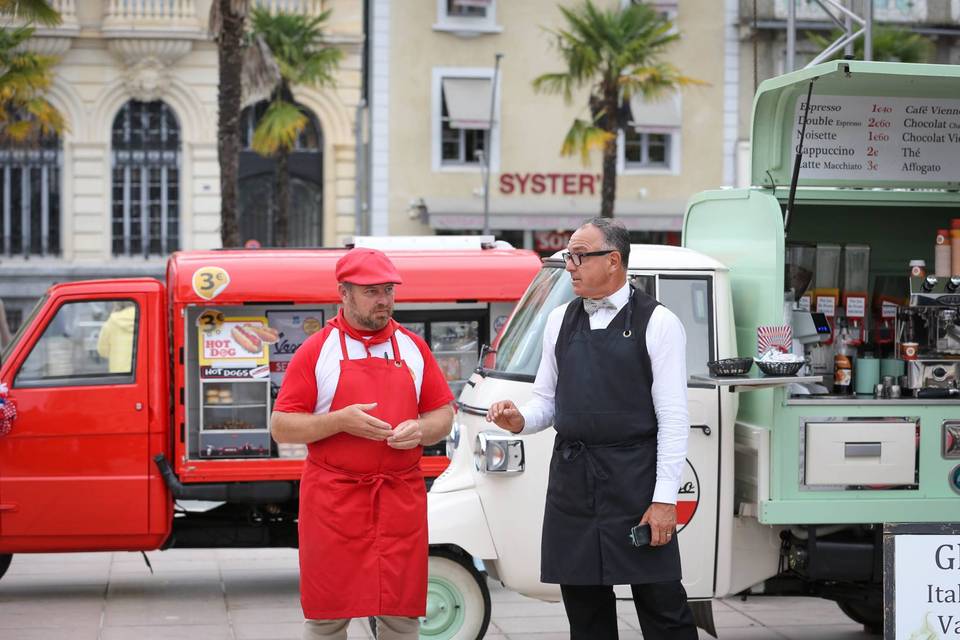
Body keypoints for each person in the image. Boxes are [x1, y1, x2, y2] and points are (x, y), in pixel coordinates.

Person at [486, 217, 698, 640]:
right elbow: (547, 401)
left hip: (635, 480)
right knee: (585, 615)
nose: (570, 266)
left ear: (614, 261)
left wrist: (664, 500)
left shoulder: (660, 323)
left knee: (664, 610)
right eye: (569, 256)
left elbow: (674, 418)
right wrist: (519, 420)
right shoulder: (558, 320)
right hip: (573, 482)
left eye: (580, 256)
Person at [271, 248, 455, 640]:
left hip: (398, 498)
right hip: (334, 502)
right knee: (327, 618)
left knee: (401, 614)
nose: (384, 300)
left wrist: (420, 430)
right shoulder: (316, 350)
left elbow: (443, 414)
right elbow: (281, 426)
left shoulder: (413, 347)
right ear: (344, 293)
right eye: (372, 291)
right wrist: (339, 422)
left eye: (389, 289)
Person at [96, 301, 136, 373]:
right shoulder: (146, 317)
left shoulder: (111, 322)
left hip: (119, 373)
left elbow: (102, 351)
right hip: (142, 373)